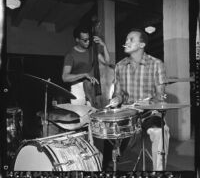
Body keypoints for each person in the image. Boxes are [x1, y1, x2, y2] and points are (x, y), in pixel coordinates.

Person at [109, 28, 170, 171]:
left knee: (161, 132)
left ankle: (159, 171)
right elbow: (118, 94)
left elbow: (161, 95)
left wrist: (149, 102)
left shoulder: (156, 64)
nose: (126, 42)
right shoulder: (119, 66)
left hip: (149, 112)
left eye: (131, 39)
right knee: (104, 127)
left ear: (142, 45)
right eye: (126, 39)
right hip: (128, 113)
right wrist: (116, 100)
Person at [62, 24, 110, 107]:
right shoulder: (70, 55)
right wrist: (84, 75)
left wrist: (104, 45)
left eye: (89, 39)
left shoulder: (92, 51)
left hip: (91, 86)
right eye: (85, 40)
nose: (88, 42)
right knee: (81, 116)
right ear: (77, 40)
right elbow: (65, 77)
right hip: (77, 87)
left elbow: (107, 62)